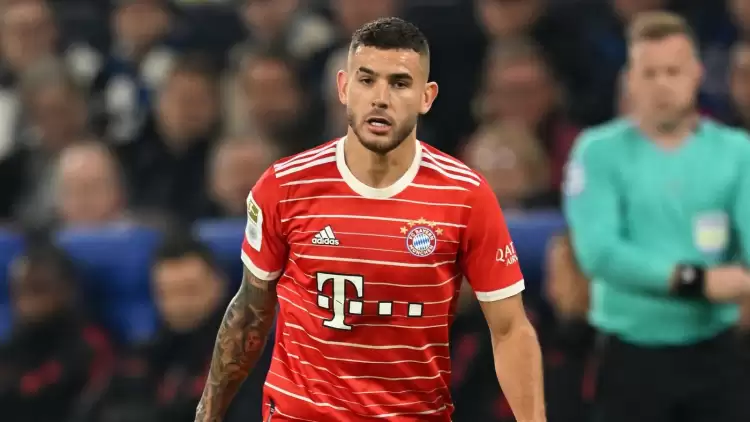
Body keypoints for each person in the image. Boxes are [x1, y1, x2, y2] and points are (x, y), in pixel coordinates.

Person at [194, 17, 545, 422]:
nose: (380, 98)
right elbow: (250, 312)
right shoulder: (284, 186)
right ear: (344, 88)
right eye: (367, 80)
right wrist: (207, 413)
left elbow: (510, 329)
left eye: (399, 83)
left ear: (426, 97)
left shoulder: (465, 196)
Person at [563, 12, 750, 422]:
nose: (662, 84)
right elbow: (599, 252)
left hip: (718, 353)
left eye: (673, 71)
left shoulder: (737, 152)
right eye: (649, 73)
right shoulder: (597, 152)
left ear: (697, 74)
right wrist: (697, 280)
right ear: (630, 80)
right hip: (631, 356)